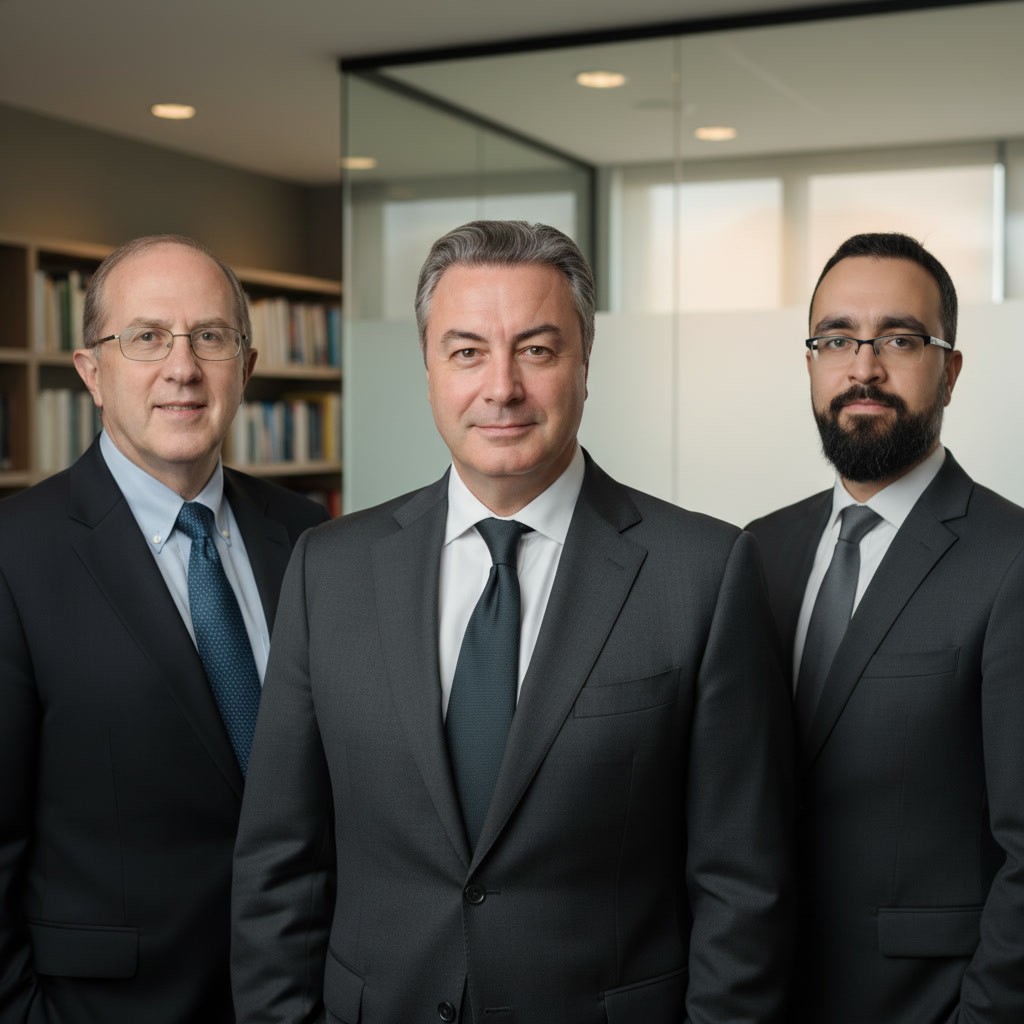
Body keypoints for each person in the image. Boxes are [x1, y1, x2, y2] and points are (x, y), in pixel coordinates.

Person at [231, 219, 794, 1024]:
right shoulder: (330, 569)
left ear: (585, 365)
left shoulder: (702, 572)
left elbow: (742, 884)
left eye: (536, 349)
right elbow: (279, 864)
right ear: (427, 370)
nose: (502, 387)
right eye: (466, 351)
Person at [0, 234, 329, 1023]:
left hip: (302, 994)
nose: (182, 368)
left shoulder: (311, 538)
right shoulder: (16, 554)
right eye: (146, 337)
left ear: (245, 369)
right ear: (91, 372)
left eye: (210, 337)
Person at [747, 232, 1024, 1022]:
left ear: (951, 368)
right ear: (810, 364)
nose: (862, 367)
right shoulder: (759, 548)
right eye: (836, 339)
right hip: (759, 991)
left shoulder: (1011, 562)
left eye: (899, 340)